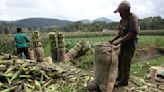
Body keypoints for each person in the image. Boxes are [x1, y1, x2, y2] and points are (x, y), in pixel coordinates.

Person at [109, 0, 140, 86]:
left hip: (130, 45)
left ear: (126, 10)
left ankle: (124, 81)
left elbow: (132, 33)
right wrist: (112, 40)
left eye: (120, 11)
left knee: (126, 64)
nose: (119, 14)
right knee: (120, 61)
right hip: (123, 44)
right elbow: (120, 32)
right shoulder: (123, 20)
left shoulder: (133, 18)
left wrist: (119, 41)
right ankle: (120, 77)